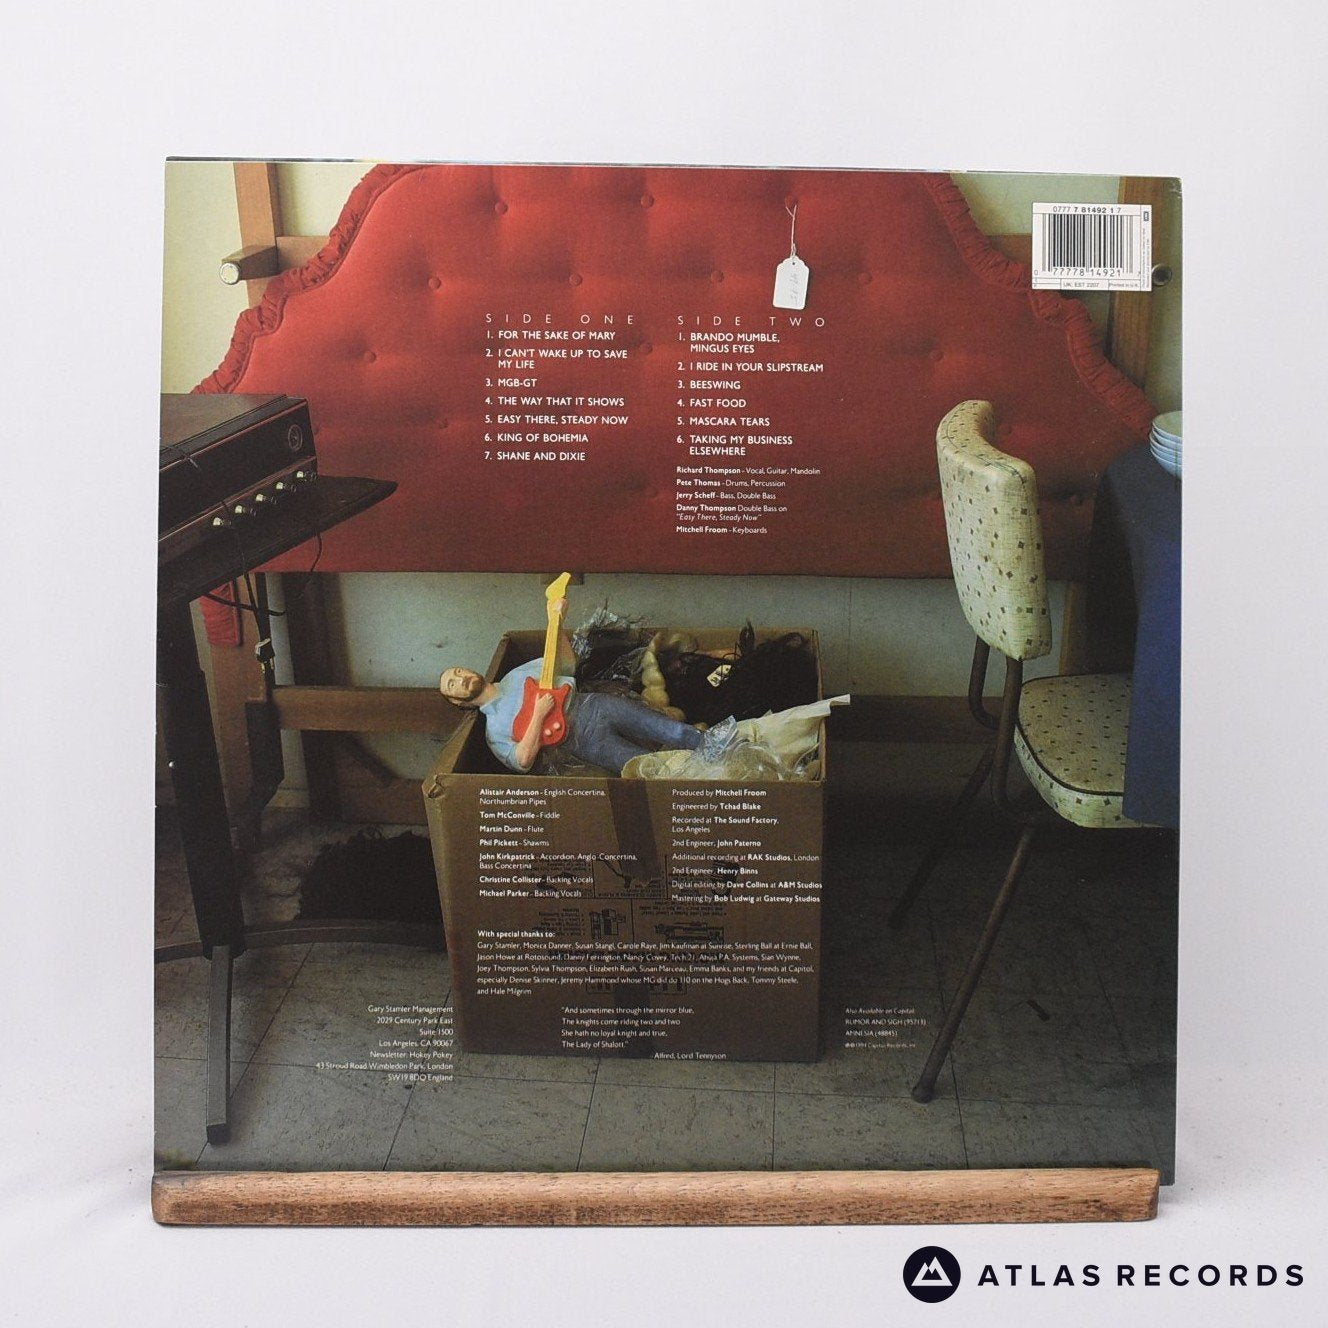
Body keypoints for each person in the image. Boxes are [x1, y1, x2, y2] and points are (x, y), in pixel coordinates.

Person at [439, 601, 706, 775]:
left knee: (671, 729)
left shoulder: (516, 675)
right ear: (457, 701)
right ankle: (704, 788)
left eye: (458, 671)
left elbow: (567, 664)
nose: (461, 678)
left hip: (592, 705)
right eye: (453, 683)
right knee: (649, 768)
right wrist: (539, 716)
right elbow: (523, 761)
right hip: (582, 740)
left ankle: (721, 751)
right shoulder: (495, 730)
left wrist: (557, 622)